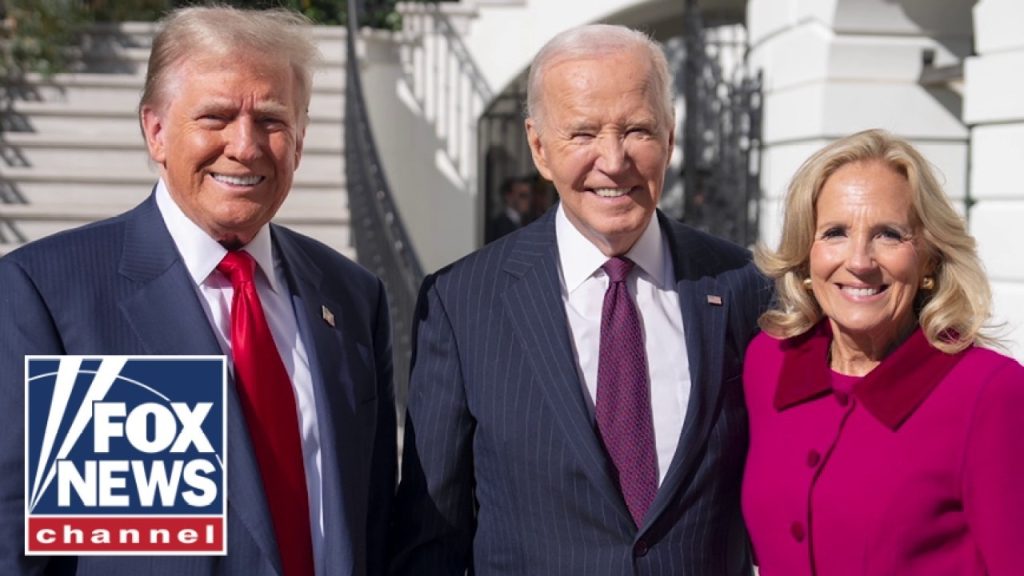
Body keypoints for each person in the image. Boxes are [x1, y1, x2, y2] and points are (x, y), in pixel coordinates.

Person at [0, 7, 396, 576]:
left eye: (272, 120)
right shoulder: (49, 294)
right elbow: (18, 547)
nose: (245, 146)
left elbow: (374, 523)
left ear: (300, 141)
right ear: (156, 132)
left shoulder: (352, 297)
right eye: (216, 117)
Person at [390, 24, 771, 575]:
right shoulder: (462, 303)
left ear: (670, 137)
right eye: (583, 133)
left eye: (637, 130)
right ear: (539, 147)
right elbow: (430, 542)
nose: (613, 161)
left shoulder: (743, 285)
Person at [742, 129, 1024, 575]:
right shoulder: (769, 363)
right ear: (807, 254)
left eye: (889, 235)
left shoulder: (990, 392)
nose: (859, 261)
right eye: (835, 232)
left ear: (929, 259)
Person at [485, 176, 531, 243]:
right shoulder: (498, 226)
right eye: (523, 195)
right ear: (509, 197)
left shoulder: (528, 221)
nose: (528, 200)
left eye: (529, 195)